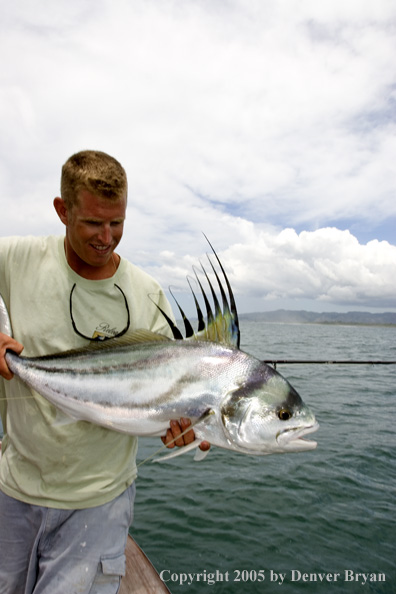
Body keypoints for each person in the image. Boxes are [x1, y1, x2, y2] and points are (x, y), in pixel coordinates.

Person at [0, 150, 209, 594]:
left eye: (117, 223)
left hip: (99, 502)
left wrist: (179, 426)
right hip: (13, 490)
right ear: (62, 210)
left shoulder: (146, 293)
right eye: (94, 223)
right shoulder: (15, 258)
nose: (107, 237)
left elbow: (167, 391)